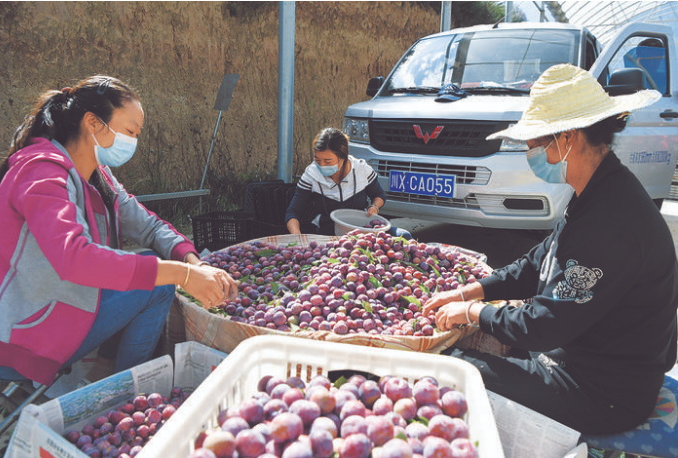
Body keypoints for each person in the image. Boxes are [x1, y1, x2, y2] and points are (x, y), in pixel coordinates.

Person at [423, 64, 678, 435]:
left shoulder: (611, 221)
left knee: (451, 368)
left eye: (534, 143)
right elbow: (537, 261)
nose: (530, 152)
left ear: (567, 138)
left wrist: (473, 312)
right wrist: (470, 291)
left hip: (601, 392)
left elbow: (542, 326)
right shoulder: (596, 193)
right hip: (581, 357)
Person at [0, 75, 238, 387]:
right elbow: (74, 259)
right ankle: (119, 391)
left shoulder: (98, 176)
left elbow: (147, 226)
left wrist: (192, 262)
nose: (132, 142)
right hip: (19, 333)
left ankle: (104, 375)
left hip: (58, 308)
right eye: (129, 131)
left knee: (148, 262)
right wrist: (182, 277)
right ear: (93, 123)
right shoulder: (41, 171)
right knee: (158, 284)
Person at [285, 127, 409, 238]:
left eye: (327, 161)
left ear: (343, 158)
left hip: (362, 234)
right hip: (327, 236)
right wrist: (297, 237)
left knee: (404, 236)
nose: (321, 165)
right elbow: (293, 213)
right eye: (317, 160)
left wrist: (374, 207)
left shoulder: (361, 170)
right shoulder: (311, 175)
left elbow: (379, 195)